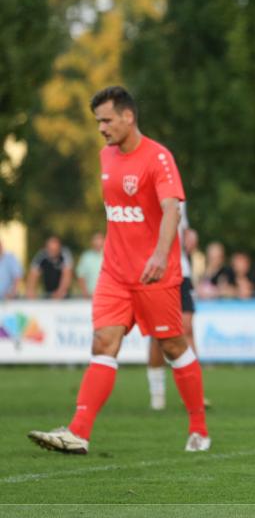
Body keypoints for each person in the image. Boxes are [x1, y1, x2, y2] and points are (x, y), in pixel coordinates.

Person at [28, 86, 210, 454]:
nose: (101, 128)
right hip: (114, 274)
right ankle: (78, 432)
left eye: (107, 120)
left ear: (129, 117)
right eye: (98, 121)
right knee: (103, 342)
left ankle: (198, 428)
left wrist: (160, 255)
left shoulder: (158, 158)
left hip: (154, 275)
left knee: (174, 346)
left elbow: (171, 209)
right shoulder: (105, 157)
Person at [148, 203, 205, 411]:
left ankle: (193, 393)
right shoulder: (145, 193)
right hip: (158, 271)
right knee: (158, 336)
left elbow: (184, 229)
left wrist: (190, 235)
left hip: (183, 271)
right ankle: (157, 392)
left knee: (187, 328)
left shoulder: (178, 197)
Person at [76, 233, 105, 297]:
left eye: (100, 239)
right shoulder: (86, 256)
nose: (98, 242)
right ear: (92, 242)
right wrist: (85, 292)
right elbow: (80, 275)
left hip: (106, 296)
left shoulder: (110, 256)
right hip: (89, 296)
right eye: (96, 239)